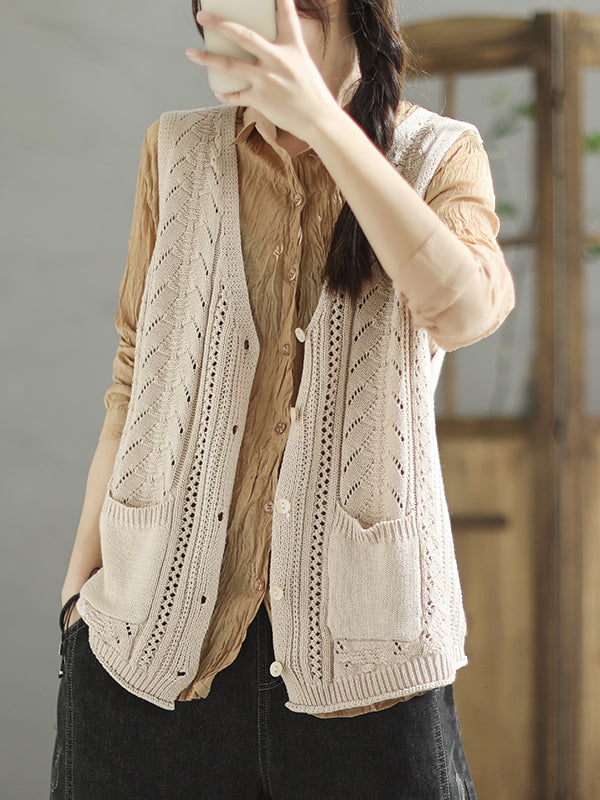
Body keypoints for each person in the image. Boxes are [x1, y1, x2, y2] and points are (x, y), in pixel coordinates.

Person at [50, 0, 515, 798]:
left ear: (356, 17)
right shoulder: (177, 150)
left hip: (370, 674)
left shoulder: (439, 154)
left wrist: (328, 127)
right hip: (144, 652)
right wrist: (77, 596)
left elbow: (467, 310)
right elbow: (133, 375)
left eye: (297, 10)